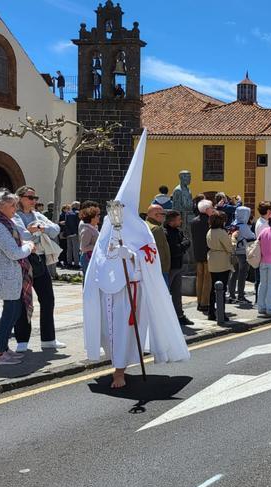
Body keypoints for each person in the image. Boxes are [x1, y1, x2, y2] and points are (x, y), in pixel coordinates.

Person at [83, 130, 190, 388]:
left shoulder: (141, 229)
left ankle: (120, 371)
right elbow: (98, 254)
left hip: (130, 290)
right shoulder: (109, 227)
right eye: (114, 208)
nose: (116, 213)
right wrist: (108, 257)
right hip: (107, 290)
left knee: (124, 333)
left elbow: (149, 256)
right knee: (110, 333)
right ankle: (114, 364)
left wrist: (131, 255)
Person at [11, 186, 65, 351]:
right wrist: (36, 232)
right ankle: (22, 341)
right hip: (23, 260)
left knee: (48, 299)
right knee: (24, 301)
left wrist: (40, 229)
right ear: (20, 198)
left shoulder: (38, 215)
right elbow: (23, 235)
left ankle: (48, 339)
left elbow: (55, 230)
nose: (34, 201)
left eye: (35, 198)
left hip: (39, 260)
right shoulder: (16, 216)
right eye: (30, 197)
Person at [0, 191, 33, 366]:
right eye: (12, 205)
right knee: (10, 313)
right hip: (6, 276)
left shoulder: (2, 222)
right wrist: (29, 246)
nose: (15, 208)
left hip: (12, 275)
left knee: (14, 312)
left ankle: (3, 348)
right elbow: (14, 252)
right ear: (0, 206)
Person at [165, 210, 192, 326]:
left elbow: (187, 241)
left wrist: (181, 246)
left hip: (178, 266)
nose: (180, 221)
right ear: (171, 221)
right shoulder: (166, 233)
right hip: (170, 267)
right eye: (178, 219)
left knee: (177, 293)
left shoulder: (178, 231)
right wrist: (182, 246)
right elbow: (174, 250)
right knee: (165, 293)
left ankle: (179, 315)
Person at [206, 212, 234, 322]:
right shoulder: (221, 233)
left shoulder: (209, 231)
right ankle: (221, 313)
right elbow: (230, 248)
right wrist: (233, 238)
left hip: (212, 259)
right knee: (222, 288)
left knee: (214, 288)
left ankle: (211, 312)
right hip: (222, 260)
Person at [228, 204, 255, 304]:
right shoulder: (244, 226)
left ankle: (231, 295)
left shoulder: (233, 224)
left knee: (233, 274)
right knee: (242, 275)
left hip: (234, 252)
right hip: (243, 252)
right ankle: (240, 295)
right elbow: (253, 236)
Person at [191, 197, 213, 312]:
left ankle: (199, 301)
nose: (212, 209)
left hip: (198, 252)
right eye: (211, 208)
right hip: (208, 252)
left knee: (199, 278)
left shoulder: (194, 221)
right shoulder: (209, 221)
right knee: (207, 279)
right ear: (206, 209)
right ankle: (205, 303)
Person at [145, 204, 170, 281]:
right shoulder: (156, 229)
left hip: (149, 268)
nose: (164, 217)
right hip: (160, 269)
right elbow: (160, 251)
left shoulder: (144, 225)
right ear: (156, 215)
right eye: (163, 214)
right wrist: (165, 267)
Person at [78, 205, 100, 275]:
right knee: (88, 281)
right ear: (92, 218)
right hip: (87, 258)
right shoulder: (87, 230)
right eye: (97, 215)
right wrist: (97, 246)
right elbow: (83, 248)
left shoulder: (94, 228)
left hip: (91, 257)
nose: (99, 217)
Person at [60, 202, 80, 268]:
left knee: (69, 249)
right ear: (77, 206)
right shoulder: (78, 213)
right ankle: (76, 264)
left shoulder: (68, 213)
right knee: (75, 249)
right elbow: (78, 224)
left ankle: (69, 263)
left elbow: (66, 223)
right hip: (75, 233)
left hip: (68, 234)